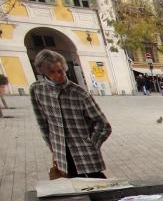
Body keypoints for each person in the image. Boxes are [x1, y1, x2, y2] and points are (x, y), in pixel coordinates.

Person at [30, 49, 112, 178]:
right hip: (61, 151)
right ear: (43, 72)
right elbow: (42, 123)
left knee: (97, 183)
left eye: (60, 71)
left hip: (84, 149)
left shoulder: (79, 93)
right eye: (52, 72)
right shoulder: (37, 90)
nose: (58, 75)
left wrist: (92, 145)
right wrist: (52, 146)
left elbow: (103, 124)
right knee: (72, 189)